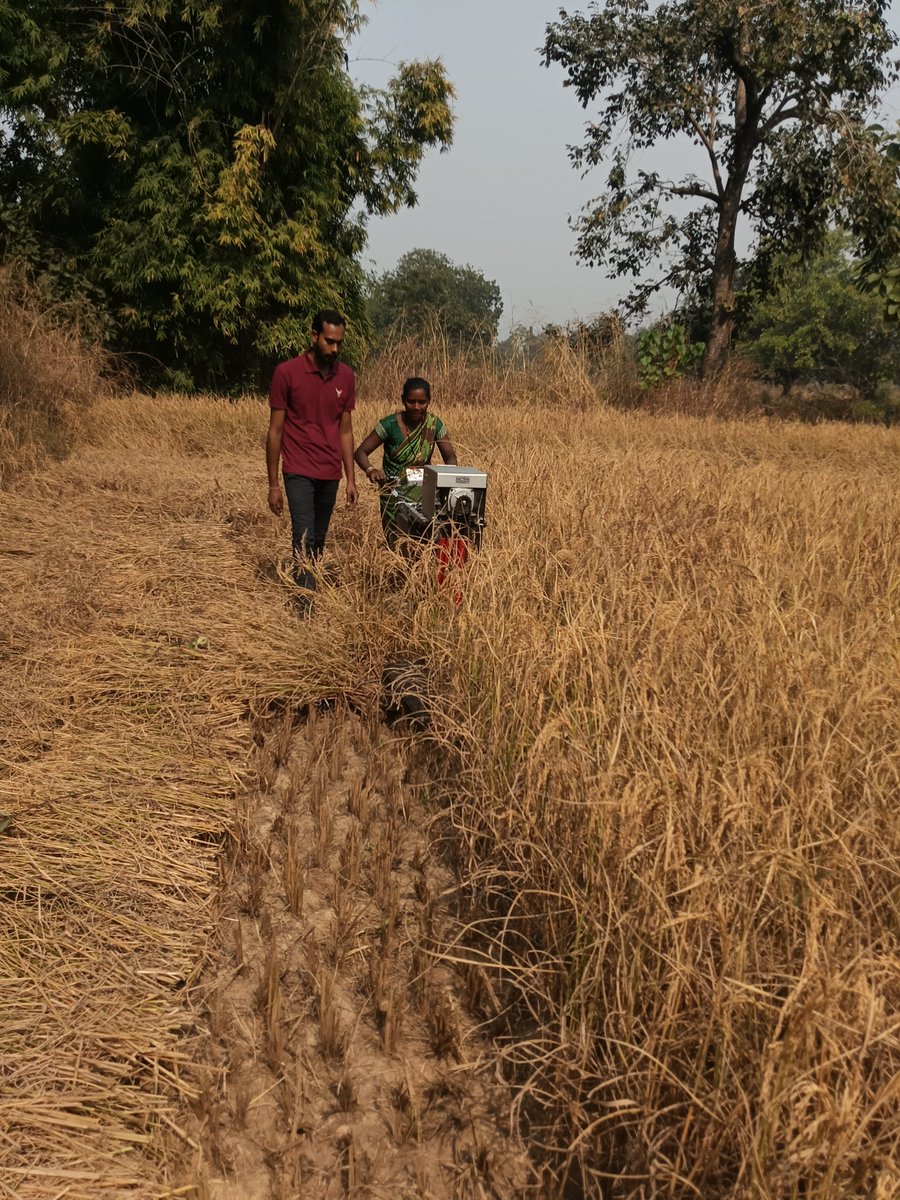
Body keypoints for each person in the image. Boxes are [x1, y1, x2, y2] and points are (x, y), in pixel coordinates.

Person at [267, 310, 358, 591]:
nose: (335, 349)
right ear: (314, 336)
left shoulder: (346, 376)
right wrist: (273, 485)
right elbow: (275, 431)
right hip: (298, 469)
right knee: (303, 535)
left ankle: (310, 583)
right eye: (329, 342)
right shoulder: (287, 373)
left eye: (339, 343)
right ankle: (303, 600)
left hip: (330, 471)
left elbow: (345, 430)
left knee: (319, 537)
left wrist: (351, 479)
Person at [354, 376, 457, 548]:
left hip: (424, 492)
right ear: (403, 400)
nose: (417, 407)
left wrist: (447, 475)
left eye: (422, 402)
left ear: (429, 401)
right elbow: (360, 453)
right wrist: (371, 470)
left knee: (425, 543)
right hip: (394, 493)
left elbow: (450, 455)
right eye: (411, 402)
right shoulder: (389, 424)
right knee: (399, 545)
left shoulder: (434, 424)